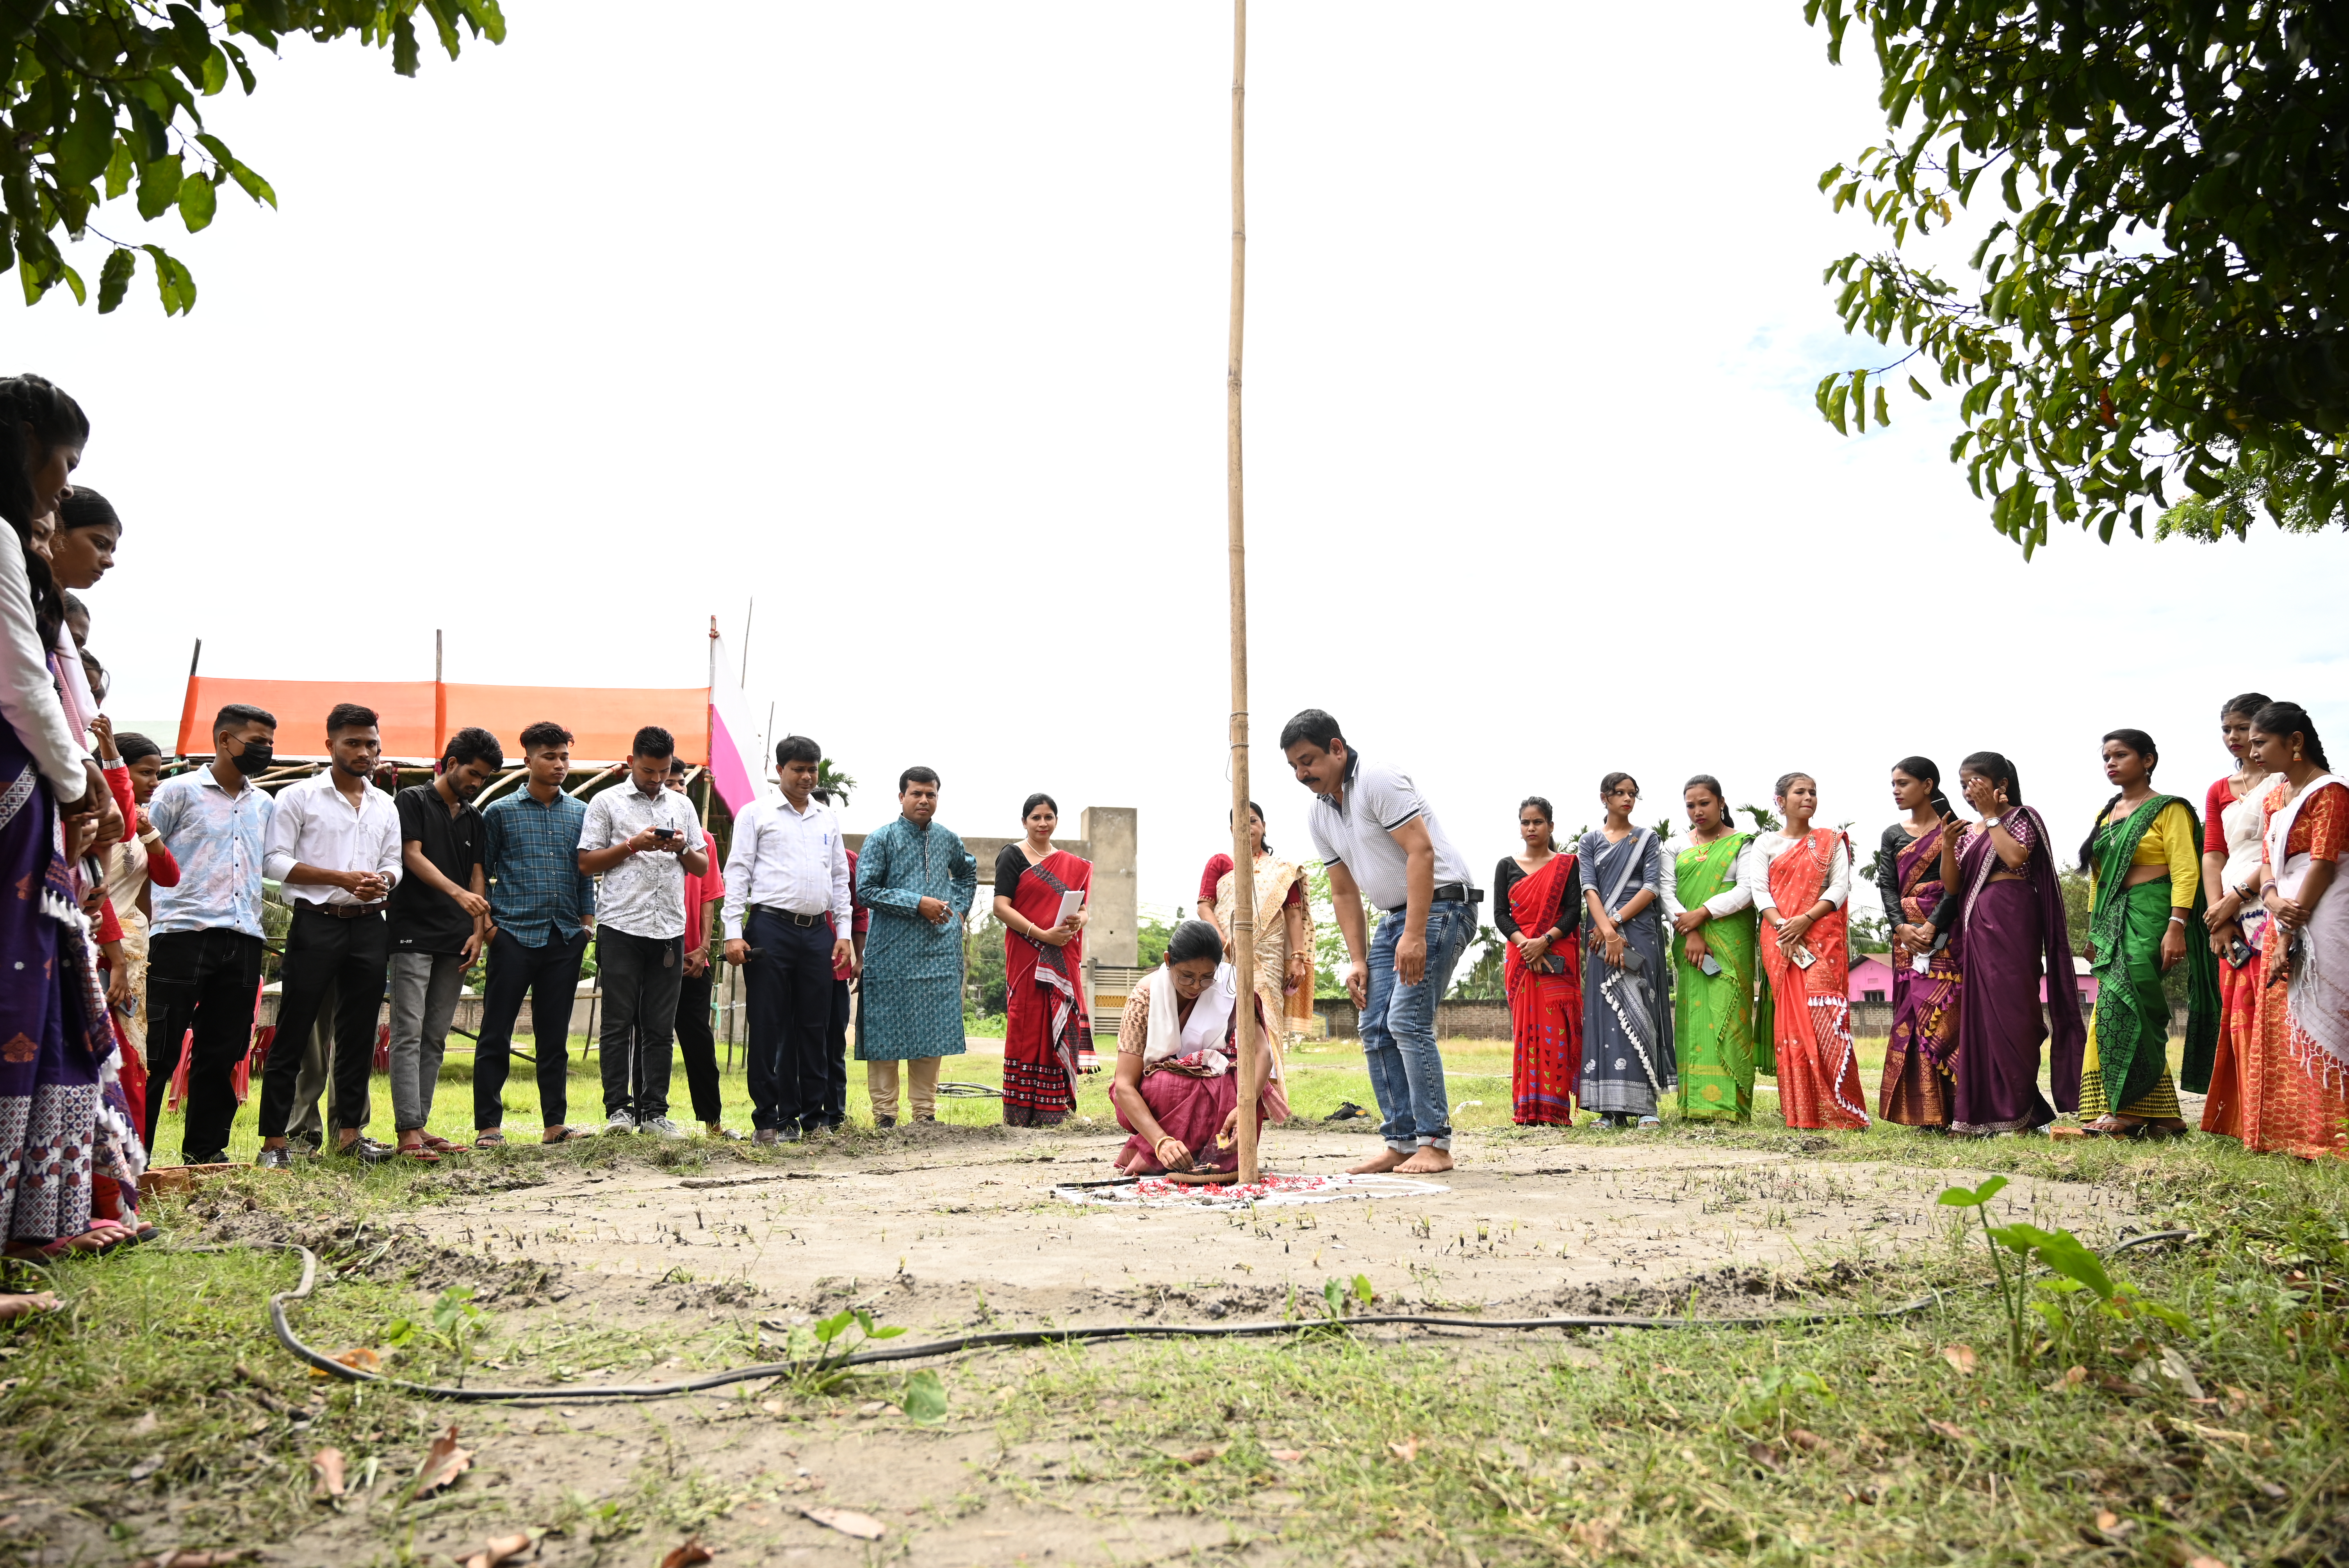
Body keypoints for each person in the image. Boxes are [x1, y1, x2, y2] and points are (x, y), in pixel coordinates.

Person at [0, 372, 141, 1255]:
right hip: (26, 798)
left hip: (39, 812)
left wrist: (85, 779)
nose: (62, 481)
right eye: (63, 463)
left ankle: (34, 1225)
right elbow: (22, 680)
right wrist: (77, 780)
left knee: (40, 1001)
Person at [1282, 709, 1478, 1175]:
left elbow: (1421, 851)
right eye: (1293, 766)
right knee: (1373, 1025)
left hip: (1442, 905)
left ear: (1336, 747)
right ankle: (1403, 1140)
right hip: (1394, 918)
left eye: (1308, 760)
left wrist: (1413, 934)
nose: (1301, 773)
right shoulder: (1319, 812)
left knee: (1406, 1020)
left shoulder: (1377, 780)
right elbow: (1344, 888)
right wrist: (1357, 959)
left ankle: (1435, 1142)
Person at [253, 704, 404, 1167]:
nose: (365, 752)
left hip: (368, 925)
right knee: (295, 1030)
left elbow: (394, 863)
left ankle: (349, 1136)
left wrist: (385, 881)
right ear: (330, 745)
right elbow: (273, 861)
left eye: (372, 743)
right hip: (316, 922)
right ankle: (275, 1143)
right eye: (354, 743)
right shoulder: (299, 796)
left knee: (359, 1034)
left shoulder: (385, 803)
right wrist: (339, 878)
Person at [146, 702, 276, 1163]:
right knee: (157, 1050)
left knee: (223, 1051)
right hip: (180, 933)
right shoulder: (176, 792)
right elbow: (139, 860)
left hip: (244, 938)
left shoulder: (265, 804)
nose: (266, 750)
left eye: (269, 743)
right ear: (224, 740)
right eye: (257, 741)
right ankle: (132, 1158)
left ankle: (206, 1151)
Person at [2078, 729, 2219, 1137]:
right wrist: (2093, 930)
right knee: (2116, 1005)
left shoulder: (2168, 809)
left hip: (2153, 910)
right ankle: (2161, 1112)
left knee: (2136, 1001)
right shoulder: (2106, 815)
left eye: (2120, 755)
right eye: (2105, 756)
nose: (2110, 762)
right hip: (2112, 917)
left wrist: (2177, 924)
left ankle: (2128, 1110)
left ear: (2148, 760)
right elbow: (2097, 879)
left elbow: (2186, 868)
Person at [1936, 752, 2082, 1135]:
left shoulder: (2022, 817)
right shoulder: (1968, 831)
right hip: (1976, 925)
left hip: (2013, 917)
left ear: (1999, 783)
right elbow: (1952, 886)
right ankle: (1979, 1115)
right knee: (1980, 1020)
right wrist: (1946, 844)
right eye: (1963, 784)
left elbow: (2015, 855)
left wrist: (1990, 816)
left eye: (1975, 783)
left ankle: (2017, 1112)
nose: (1968, 791)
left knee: (2016, 1014)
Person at [578, 725, 710, 1138]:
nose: (655, 778)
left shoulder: (682, 804)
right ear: (632, 759)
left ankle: (655, 1112)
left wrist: (682, 849)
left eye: (663, 770)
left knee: (659, 1025)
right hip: (621, 925)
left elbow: (702, 867)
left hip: (668, 928)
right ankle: (618, 1110)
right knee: (617, 1022)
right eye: (648, 770)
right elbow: (587, 863)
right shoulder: (606, 801)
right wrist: (634, 844)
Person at [721, 736, 852, 1144]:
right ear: (779, 770)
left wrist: (844, 933)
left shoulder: (826, 817)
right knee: (767, 1024)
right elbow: (738, 871)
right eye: (798, 769)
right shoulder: (755, 814)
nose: (807, 776)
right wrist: (732, 932)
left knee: (816, 1026)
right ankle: (769, 1121)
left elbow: (839, 879)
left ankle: (813, 1121)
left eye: (812, 769)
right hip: (769, 928)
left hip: (818, 932)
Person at [474, 720, 595, 1147]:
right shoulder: (500, 812)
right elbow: (481, 871)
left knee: (554, 1035)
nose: (559, 764)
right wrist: (488, 927)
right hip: (512, 935)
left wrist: (587, 924)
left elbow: (585, 874)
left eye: (564, 756)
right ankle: (488, 1126)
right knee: (496, 1032)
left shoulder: (581, 813)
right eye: (549, 756)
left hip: (565, 936)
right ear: (527, 760)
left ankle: (554, 1124)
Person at [385, 727, 501, 1161]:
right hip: (412, 930)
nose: (476, 783)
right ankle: (407, 1130)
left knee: (435, 1035)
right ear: (451, 763)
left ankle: (423, 1124)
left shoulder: (474, 816)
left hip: (457, 937)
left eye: (484, 778)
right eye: (473, 772)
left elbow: (477, 876)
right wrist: (458, 894)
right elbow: (410, 855)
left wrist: (477, 929)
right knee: (408, 1031)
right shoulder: (412, 800)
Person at [2241, 702, 2348, 1160]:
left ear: (2296, 741)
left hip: (2323, 910)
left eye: (2261, 742)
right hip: (2280, 906)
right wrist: (2269, 898)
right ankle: (2283, 1135)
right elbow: (2267, 858)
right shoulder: (2274, 796)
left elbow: (2323, 863)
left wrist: (2289, 922)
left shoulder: (2332, 792)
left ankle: (2331, 1138)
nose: (2253, 751)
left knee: (2324, 1011)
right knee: (2278, 1016)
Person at [1110, 919, 1277, 1178]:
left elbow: (1262, 1055)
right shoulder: (1144, 998)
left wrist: (1242, 1109)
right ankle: (1162, 1152)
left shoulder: (1231, 988)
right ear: (1168, 961)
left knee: (1232, 1087)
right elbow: (1124, 1085)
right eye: (1187, 976)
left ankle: (1220, 1157)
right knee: (1170, 1087)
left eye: (1206, 978)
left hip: (1220, 1083)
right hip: (1161, 1091)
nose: (1196, 987)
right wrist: (1161, 1142)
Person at [856, 767, 977, 1125]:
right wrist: (917, 903)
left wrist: (958, 910)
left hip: (937, 952)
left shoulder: (947, 839)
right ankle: (885, 1116)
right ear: (901, 797)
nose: (924, 800)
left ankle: (925, 1115)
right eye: (917, 794)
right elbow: (866, 891)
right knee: (885, 1030)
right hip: (889, 952)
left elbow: (968, 872)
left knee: (932, 1032)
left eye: (931, 794)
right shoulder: (882, 839)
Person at [1749, 772, 1869, 1130]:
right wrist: (1784, 925)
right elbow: (1760, 891)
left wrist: (1804, 919)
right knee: (1792, 1023)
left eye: (1813, 792)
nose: (1808, 797)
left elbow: (1840, 887)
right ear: (1780, 801)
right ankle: (1802, 1113)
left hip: (1821, 937)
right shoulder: (1765, 844)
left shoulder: (1831, 841)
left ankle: (1843, 1111)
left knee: (1826, 1020)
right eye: (1800, 792)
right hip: (1781, 938)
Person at [1196, 799, 1309, 1121]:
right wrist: (1220, 936)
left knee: (1265, 1018)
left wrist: (1297, 958)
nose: (1248, 828)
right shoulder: (1220, 863)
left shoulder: (1283, 871)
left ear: (1264, 826)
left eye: (1255, 821)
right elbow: (1205, 906)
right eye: (1241, 823)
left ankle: (1270, 1096)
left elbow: (1293, 915)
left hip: (1269, 955)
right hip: (1228, 953)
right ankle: (1226, 1090)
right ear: (1232, 829)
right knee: (1226, 1018)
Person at [2195, 693, 2274, 1138]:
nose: (2233, 738)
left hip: (2271, 900)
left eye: (2242, 728)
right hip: (2228, 911)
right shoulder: (2220, 789)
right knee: (2239, 1009)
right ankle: (2244, 1120)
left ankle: (2280, 1115)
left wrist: (2238, 896)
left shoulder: (2286, 781)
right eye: (2226, 729)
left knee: (2273, 1007)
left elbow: (2278, 849)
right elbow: (2212, 854)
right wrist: (2218, 913)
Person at [1577, 773, 1674, 1128]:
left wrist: (1615, 924)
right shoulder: (1589, 841)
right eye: (1620, 793)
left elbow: (1651, 887)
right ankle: (1610, 1110)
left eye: (1633, 794)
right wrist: (1606, 931)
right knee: (1605, 1016)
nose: (1628, 799)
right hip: (1601, 937)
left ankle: (1646, 1107)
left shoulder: (1647, 838)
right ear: (1604, 798)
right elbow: (1589, 887)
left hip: (1638, 931)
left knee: (1642, 1010)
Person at [1664, 775, 1760, 1123]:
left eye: (1704, 803)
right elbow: (1666, 891)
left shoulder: (1743, 844)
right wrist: (1690, 929)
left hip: (1731, 941)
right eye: (1691, 805)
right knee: (1694, 1017)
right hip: (1689, 941)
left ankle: (1730, 1107)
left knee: (1731, 1012)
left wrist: (1703, 914)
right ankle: (1696, 1106)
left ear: (1721, 803)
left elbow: (1748, 890)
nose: (1698, 811)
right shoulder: (1675, 847)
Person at [993, 792, 1092, 1126]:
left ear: (1056, 821)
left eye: (1049, 817)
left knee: (1056, 1023)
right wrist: (1041, 934)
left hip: (1060, 956)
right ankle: (1020, 1114)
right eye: (1036, 817)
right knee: (1026, 1024)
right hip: (1026, 956)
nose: (1043, 823)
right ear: (1025, 822)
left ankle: (1055, 1110)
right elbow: (1001, 907)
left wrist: (1081, 920)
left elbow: (1083, 909)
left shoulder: (1072, 865)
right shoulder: (1013, 856)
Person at [1877, 757, 1962, 1129]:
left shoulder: (1956, 828)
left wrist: (1932, 926)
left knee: (1947, 1013)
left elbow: (1958, 884)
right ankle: (1919, 1113)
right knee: (1910, 1016)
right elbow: (1888, 886)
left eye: (1903, 783)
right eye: (1893, 784)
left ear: (1928, 785)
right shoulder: (1892, 834)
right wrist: (1901, 928)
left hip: (1947, 934)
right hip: (1906, 940)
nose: (1895, 790)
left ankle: (1959, 1110)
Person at [1494, 796, 1580, 1126]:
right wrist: (1525, 945)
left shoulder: (1566, 865)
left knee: (1555, 1031)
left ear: (1551, 826)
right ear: (1520, 827)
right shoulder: (1506, 865)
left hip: (1555, 954)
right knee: (1524, 1033)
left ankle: (1554, 1110)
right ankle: (1527, 1110)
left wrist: (1544, 941)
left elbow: (1573, 912)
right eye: (1526, 822)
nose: (1532, 828)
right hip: (1522, 958)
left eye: (1538, 822)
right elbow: (1501, 915)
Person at [665, 755, 736, 1139]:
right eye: (669, 782)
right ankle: (645, 1117)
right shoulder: (642, 837)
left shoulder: (703, 838)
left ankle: (713, 1122)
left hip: (693, 958)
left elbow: (710, 896)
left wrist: (704, 948)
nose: (676, 788)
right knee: (647, 1038)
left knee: (698, 1041)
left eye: (680, 782)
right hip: (649, 956)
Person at [812, 786, 867, 1130]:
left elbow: (860, 911)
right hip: (793, 967)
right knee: (795, 1041)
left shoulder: (848, 860)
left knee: (834, 1043)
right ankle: (797, 1113)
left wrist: (859, 958)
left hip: (835, 971)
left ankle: (835, 1115)